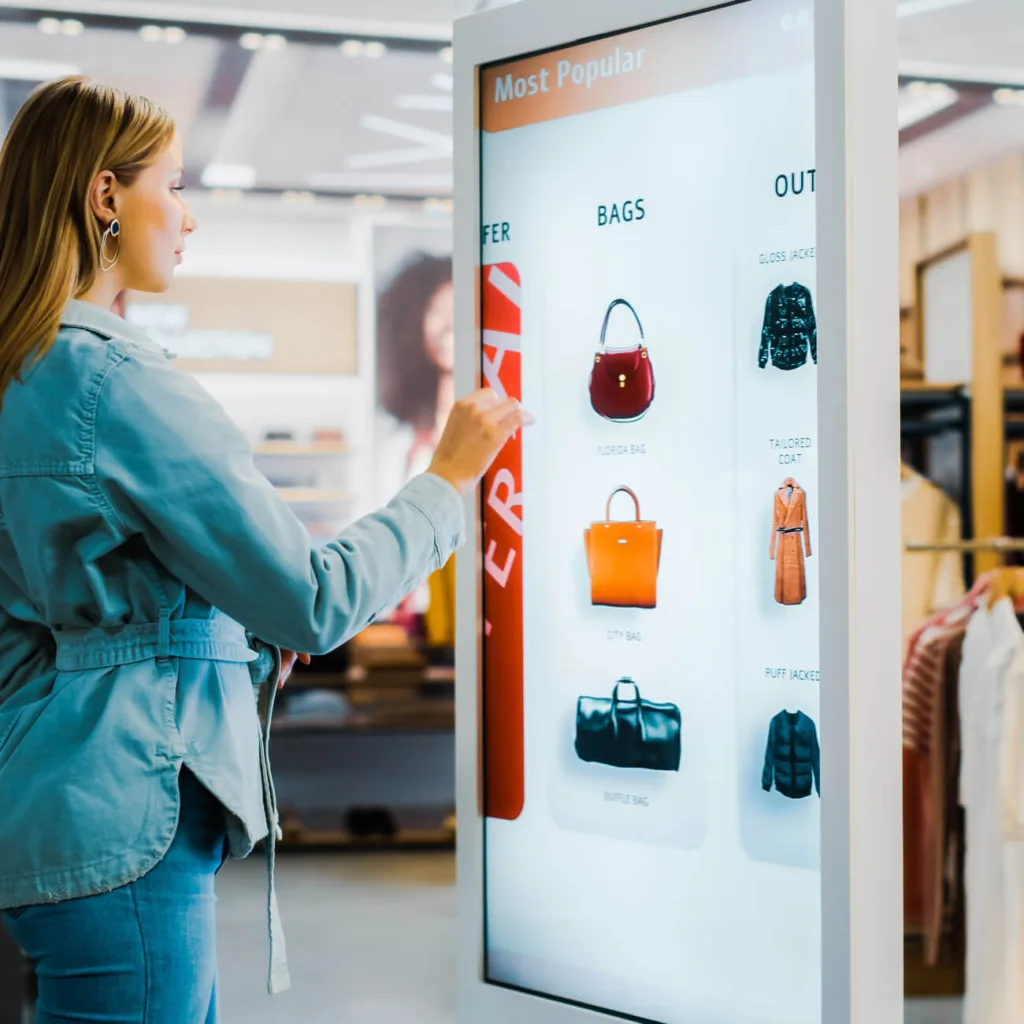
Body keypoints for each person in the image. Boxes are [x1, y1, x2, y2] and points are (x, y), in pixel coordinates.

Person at [0, 77, 529, 1024]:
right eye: (177, 183)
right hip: (127, 815)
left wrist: (217, 631)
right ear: (106, 198)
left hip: (49, 804)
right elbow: (311, 600)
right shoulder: (113, 381)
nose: (190, 217)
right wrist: (447, 481)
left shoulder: (21, 370)